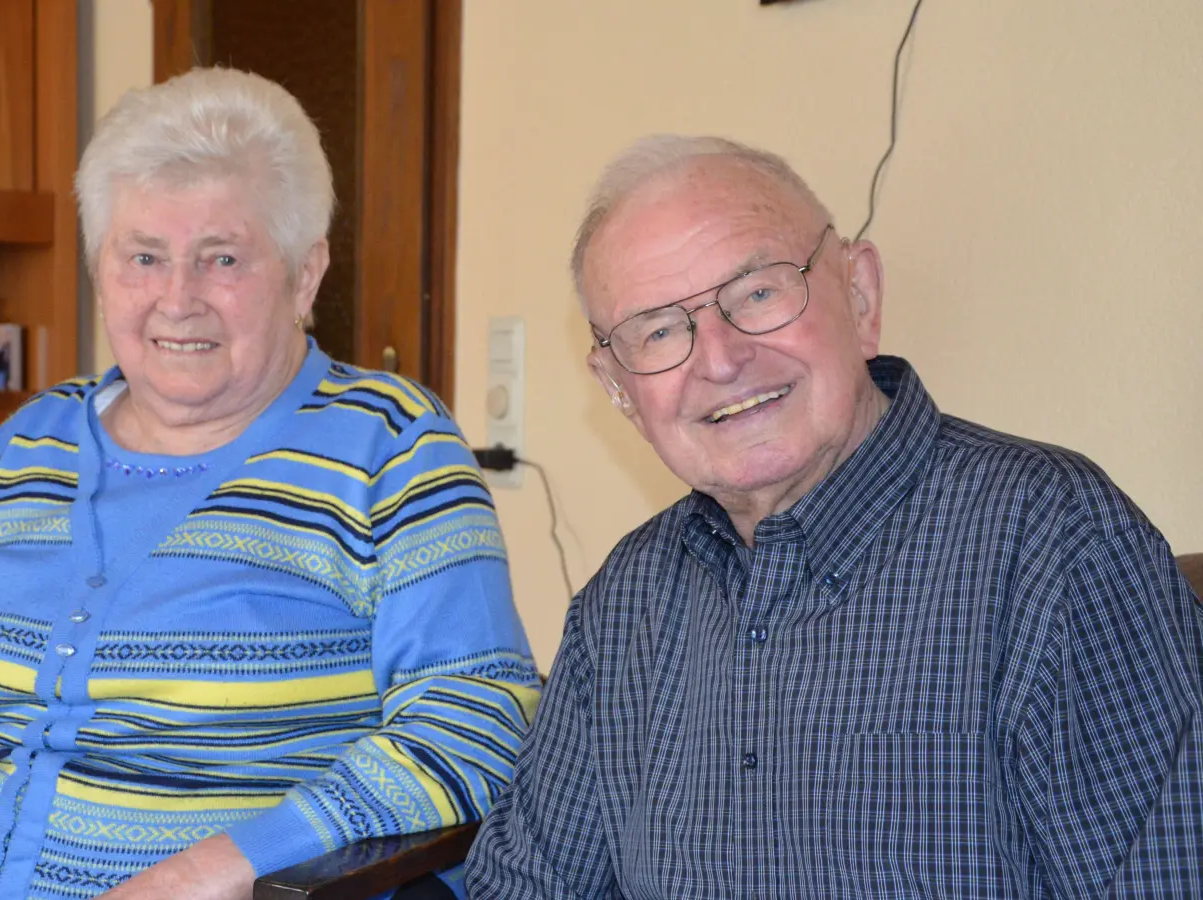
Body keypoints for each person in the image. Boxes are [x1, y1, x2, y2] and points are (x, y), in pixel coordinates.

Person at [0, 67, 539, 900]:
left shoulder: (391, 446)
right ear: (100, 272)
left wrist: (213, 871)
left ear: (305, 275)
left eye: (221, 258)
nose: (177, 299)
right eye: (144, 257)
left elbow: (474, 720)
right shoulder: (24, 448)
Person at [465, 135, 1203, 898]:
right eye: (657, 330)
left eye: (757, 292)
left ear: (861, 294)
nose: (718, 360)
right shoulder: (622, 608)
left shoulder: (1054, 544)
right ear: (618, 389)